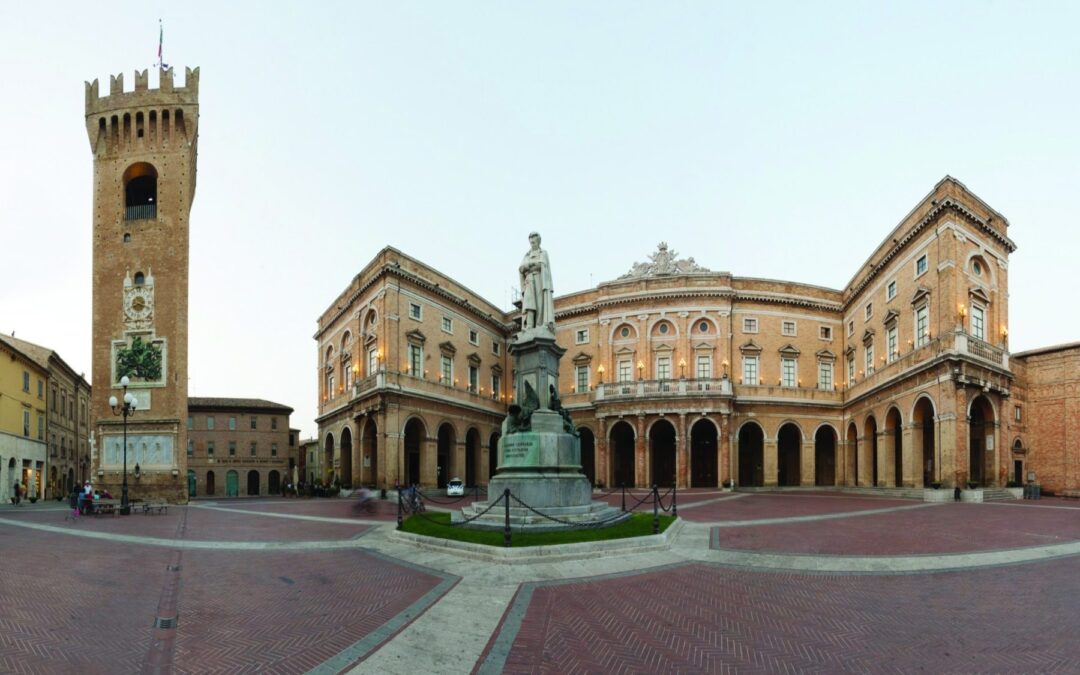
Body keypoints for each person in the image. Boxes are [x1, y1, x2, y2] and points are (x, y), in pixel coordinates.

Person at [518, 232, 555, 333]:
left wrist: (529, 266)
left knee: (540, 303)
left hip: (539, 279)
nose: (532, 244)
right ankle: (529, 325)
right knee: (529, 304)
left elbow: (542, 265)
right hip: (529, 280)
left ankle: (539, 325)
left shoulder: (543, 253)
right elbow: (521, 268)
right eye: (531, 243)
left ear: (538, 242)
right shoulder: (527, 255)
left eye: (533, 242)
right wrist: (532, 264)